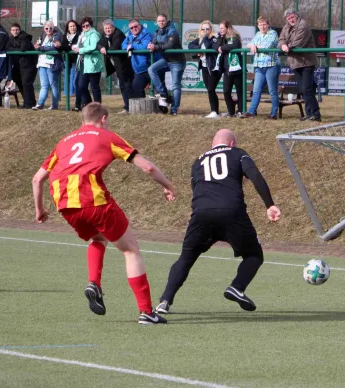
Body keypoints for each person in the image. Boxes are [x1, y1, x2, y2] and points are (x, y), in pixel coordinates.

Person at [32, 103, 176, 325]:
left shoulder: (64, 141)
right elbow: (147, 167)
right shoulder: (106, 136)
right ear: (104, 118)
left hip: (65, 205)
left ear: (82, 121)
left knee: (98, 237)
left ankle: (94, 283)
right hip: (93, 201)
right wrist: (168, 185)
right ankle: (146, 311)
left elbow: (37, 178)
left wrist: (40, 210)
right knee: (130, 250)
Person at [156, 128, 281, 314]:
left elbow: (196, 189)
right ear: (232, 144)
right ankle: (237, 287)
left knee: (186, 258)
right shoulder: (238, 153)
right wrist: (269, 204)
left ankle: (164, 301)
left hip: (201, 214)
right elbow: (255, 175)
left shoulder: (197, 161)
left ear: (212, 145)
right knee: (254, 255)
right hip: (232, 212)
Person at [279, 9, 321, 122]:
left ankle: (313, 114)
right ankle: (312, 114)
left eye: (292, 17)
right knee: (306, 89)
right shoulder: (286, 27)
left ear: (296, 16)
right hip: (295, 62)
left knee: (306, 89)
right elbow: (281, 39)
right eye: (288, 18)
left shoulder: (303, 25)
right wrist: (283, 45)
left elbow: (299, 43)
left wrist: (287, 47)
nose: (290, 19)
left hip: (307, 61)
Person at [147, 14, 186, 115]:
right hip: (166, 60)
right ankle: (164, 94)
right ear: (157, 22)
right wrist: (150, 45)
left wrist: (155, 47)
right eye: (159, 21)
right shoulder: (157, 32)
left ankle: (174, 110)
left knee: (175, 86)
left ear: (166, 21)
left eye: (163, 20)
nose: (161, 22)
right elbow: (154, 42)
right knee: (151, 69)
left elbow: (170, 45)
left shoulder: (173, 30)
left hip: (177, 61)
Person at [242, 16, 280, 120]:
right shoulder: (258, 34)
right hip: (259, 66)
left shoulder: (273, 33)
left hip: (271, 65)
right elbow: (250, 44)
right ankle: (251, 112)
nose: (262, 27)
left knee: (272, 91)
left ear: (268, 25)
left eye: (264, 24)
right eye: (260, 25)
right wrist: (252, 45)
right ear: (258, 26)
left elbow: (267, 46)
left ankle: (273, 114)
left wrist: (255, 46)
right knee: (256, 90)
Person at [188, 20, 221, 118]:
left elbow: (211, 46)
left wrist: (205, 39)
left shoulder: (214, 38)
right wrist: (199, 49)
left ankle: (214, 112)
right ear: (200, 30)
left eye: (208, 28)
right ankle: (215, 111)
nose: (205, 30)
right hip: (204, 67)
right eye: (203, 29)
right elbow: (190, 46)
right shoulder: (199, 39)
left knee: (211, 88)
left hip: (214, 67)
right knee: (210, 89)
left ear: (211, 29)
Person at [99, 19, 134, 114]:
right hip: (116, 65)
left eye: (109, 28)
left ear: (113, 27)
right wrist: (101, 47)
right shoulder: (104, 35)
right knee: (123, 86)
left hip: (124, 65)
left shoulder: (118, 34)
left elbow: (114, 47)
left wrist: (105, 47)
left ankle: (129, 107)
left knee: (126, 85)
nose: (107, 30)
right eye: (106, 28)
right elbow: (98, 44)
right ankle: (128, 106)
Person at [33, 21, 64, 110]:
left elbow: (54, 47)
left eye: (50, 28)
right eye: (46, 28)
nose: (49, 30)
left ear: (53, 28)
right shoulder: (42, 36)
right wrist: (37, 46)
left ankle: (54, 105)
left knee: (53, 84)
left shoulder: (57, 35)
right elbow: (39, 46)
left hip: (52, 63)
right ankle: (40, 104)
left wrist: (41, 48)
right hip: (42, 62)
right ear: (44, 29)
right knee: (44, 85)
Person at [216, 20, 244, 118]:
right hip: (226, 69)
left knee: (239, 91)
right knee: (226, 91)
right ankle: (231, 111)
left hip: (237, 69)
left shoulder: (235, 36)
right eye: (219, 28)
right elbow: (216, 45)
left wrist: (223, 48)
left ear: (228, 28)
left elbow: (234, 45)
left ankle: (240, 111)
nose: (220, 30)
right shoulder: (220, 37)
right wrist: (220, 43)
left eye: (222, 28)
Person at [6, 23, 37, 109]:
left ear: (19, 30)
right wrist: (14, 49)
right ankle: (30, 101)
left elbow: (23, 49)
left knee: (26, 83)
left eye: (17, 30)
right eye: (13, 30)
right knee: (18, 80)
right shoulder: (11, 38)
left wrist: (13, 49)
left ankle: (28, 103)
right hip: (18, 65)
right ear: (10, 31)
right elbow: (7, 48)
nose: (15, 32)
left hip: (29, 64)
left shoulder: (24, 37)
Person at [74, 17, 103, 108]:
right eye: (83, 26)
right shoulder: (82, 35)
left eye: (87, 25)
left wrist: (81, 50)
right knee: (81, 86)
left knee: (94, 86)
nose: (85, 27)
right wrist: (74, 48)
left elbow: (93, 46)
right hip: (83, 64)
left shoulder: (94, 34)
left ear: (91, 25)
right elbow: (78, 46)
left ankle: (98, 106)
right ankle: (89, 104)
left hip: (93, 63)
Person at [121, 19, 153, 98]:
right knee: (136, 89)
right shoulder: (130, 35)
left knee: (159, 90)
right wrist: (129, 46)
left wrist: (132, 46)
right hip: (138, 70)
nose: (134, 29)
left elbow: (144, 46)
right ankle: (143, 109)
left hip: (149, 68)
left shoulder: (147, 33)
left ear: (140, 26)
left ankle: (168, 108)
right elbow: (123, 45)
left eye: (135, 26)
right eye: (131, 28)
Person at [61, 19, 82, 110]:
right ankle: (74, 101)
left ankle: (78, 103)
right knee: (71, 80)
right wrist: (69, 46)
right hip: (68, 61)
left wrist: (70, 46)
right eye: (70, 26)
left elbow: (78, 46)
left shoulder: (80, 35)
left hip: (78, 61)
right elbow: (63, 47)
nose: (72, 28)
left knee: (77, 82)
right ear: (68, 28)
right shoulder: (65, 36)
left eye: (74, 26)